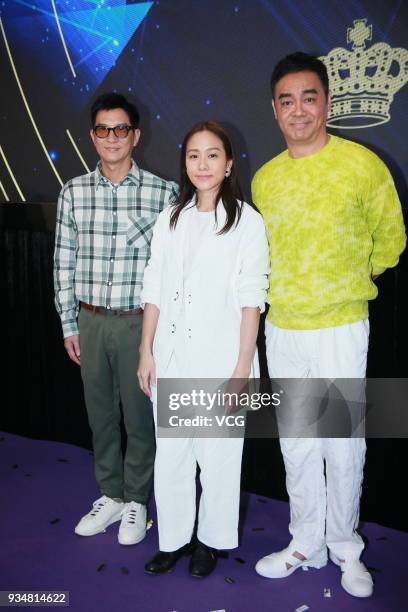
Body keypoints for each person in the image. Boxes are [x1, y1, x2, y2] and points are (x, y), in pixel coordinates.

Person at [252, 52, 406, 598]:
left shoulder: (364, 165)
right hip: (284, 328)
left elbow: (391, 241)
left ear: (327, 102)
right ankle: (304, 543)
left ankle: (345, 547)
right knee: (296, 443)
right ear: (274, 110)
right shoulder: (265, 180)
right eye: (287, 101)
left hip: (341, 326)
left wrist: (350, 280)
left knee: (342, 443)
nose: (299, 111)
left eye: (309, 97)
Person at [137, 121, 269, 577]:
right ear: (185, 163)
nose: (203, 164)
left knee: (218, 459)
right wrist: (145, 351)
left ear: (229, 163)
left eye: (213, 155)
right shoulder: (169, 218)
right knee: (172, 456)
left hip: (221, 359)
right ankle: (173, 539)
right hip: (171, 355)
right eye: (194, 155)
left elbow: (253, 300)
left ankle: (209, 543)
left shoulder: (247, 222)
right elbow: (153, 285)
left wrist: (241, 368)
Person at [54, 92, 178, 546]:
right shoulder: (73, 192)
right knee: (100, 415)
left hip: (138, 325)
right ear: (93, 137)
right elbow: (63, 262)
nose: (112, 137)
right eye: (103, 129)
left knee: (140, 416)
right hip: (90, 321)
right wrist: (69, 323)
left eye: (121, 129)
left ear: (136, 135)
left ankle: (136, 500)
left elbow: (170, 270)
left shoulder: (163, 193)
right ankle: (110, 494)